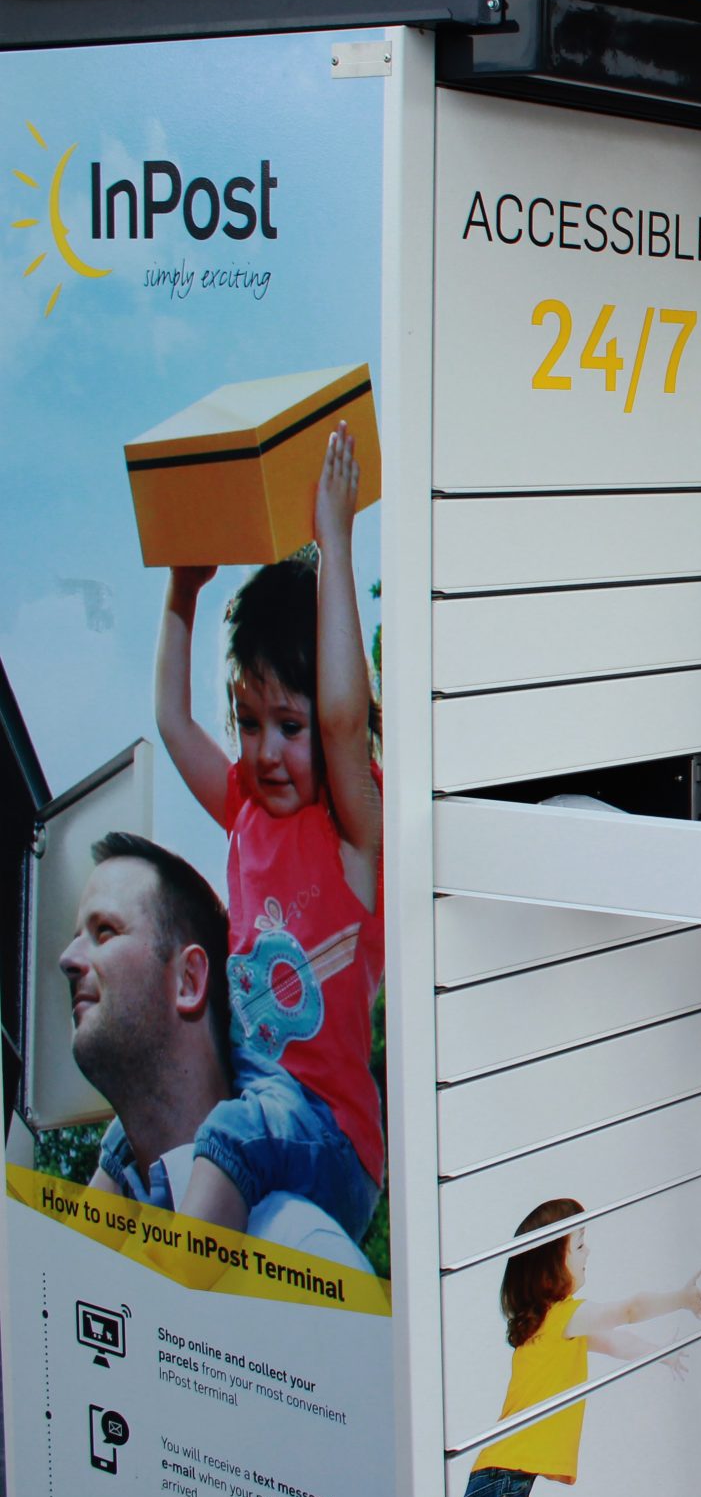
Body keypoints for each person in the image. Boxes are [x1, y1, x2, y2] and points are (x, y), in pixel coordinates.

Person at [153, 426, 385, 1245]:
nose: (265, 750)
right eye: (250, 723)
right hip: (252, 1102)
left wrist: (335, 543)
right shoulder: (246, 809)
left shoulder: (353, 832)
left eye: (290, 725)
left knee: (228, 1136)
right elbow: (173, 720)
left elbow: (343, 716)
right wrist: (184, 591)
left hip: (332, 1138)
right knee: (132, 1140)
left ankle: (187, 1313)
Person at [59, 832, 369, 1269]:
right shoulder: (108, 1245)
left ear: (188, 980)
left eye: (105, 931)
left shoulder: (303, 1250)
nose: (67, 959)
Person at [457, 1198, 701, 1497]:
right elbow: (627, 1312)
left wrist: (664, 1353)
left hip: (496, 1489)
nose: (587, 1251)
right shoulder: (565, 1317)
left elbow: (616, 1342)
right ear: (549, 1268)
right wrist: (680, 1299)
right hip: (499, 1490)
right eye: (578, 1245)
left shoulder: (552, 1327)